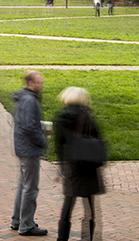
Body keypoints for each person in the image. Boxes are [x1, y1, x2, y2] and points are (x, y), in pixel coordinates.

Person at [54, 87, 105, 241]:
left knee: (68, 201)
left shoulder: (61, 116)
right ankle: (88, 236)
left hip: (71, 163)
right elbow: (97, 137)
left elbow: (58, 144)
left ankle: (62, 237)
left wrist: (62, 166)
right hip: (88, 164)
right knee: (89, 204)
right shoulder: (86, 116)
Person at [10, 71, 48, 236]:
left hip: (24, 147)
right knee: (30, 188)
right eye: (39, 82)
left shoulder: (25, 98)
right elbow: (29, 127)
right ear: (30, 83)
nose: (41, 85)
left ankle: (18, 220)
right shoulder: (29, 100)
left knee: (24, 186)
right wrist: (42, 141)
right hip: (29, 148)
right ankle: (26, 224)